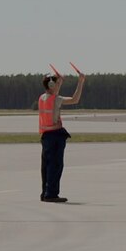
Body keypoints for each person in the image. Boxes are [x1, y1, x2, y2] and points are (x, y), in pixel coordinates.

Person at [38, 71, 84, 202]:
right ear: (52, 85)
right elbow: (75, 99)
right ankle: (51, 194)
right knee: (55, 165)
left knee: (46, 166)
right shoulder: (55, 99)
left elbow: (54, 92)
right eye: (57, 83)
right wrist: (80, 82)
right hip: (55, 136)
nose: (59, 85)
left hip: (45, 136)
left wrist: (59, 81)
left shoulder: (42, 98)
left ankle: (45, 192)